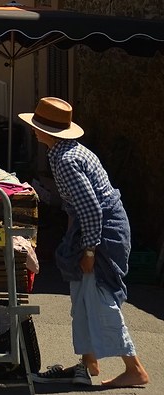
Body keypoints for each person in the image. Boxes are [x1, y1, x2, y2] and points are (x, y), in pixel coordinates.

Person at [21, 98, 149, 389]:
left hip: (101, 229)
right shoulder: (64, 152)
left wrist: (90, 248)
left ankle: (135, 368)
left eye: (37, 126)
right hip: (92, 226)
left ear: (47, 131)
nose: (33, 130)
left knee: (99, 298)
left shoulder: (65, 160)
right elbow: (78, 206)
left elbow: (91, 208)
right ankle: (88, 361)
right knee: (82, 295)